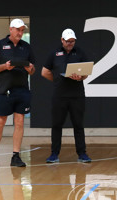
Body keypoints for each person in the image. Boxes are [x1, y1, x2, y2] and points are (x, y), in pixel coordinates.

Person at [0, 18, 36, 168]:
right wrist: (4, 66)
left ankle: (16, 156)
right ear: (11, 29)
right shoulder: (0, 45)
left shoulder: (26, 47)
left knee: (20, 122)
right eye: (18, 30)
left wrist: (30, 69)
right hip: (4, 90)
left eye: (22, 30)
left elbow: (33, 70)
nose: (20, 33)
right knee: (0, 122)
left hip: (22, 90)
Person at [41, 28, 92, 163]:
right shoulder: (54, 54)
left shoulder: (80, 52)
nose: (70, 43)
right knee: (57, 125)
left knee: (78, 125)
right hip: (60, 95)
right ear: (62, 40)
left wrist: (80, 77)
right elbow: (44, 71)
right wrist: (58, 79)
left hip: (77, 95)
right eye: (68, 41)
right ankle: (54, 154)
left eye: (72, 41)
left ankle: (82, 153)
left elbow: (86, 72)